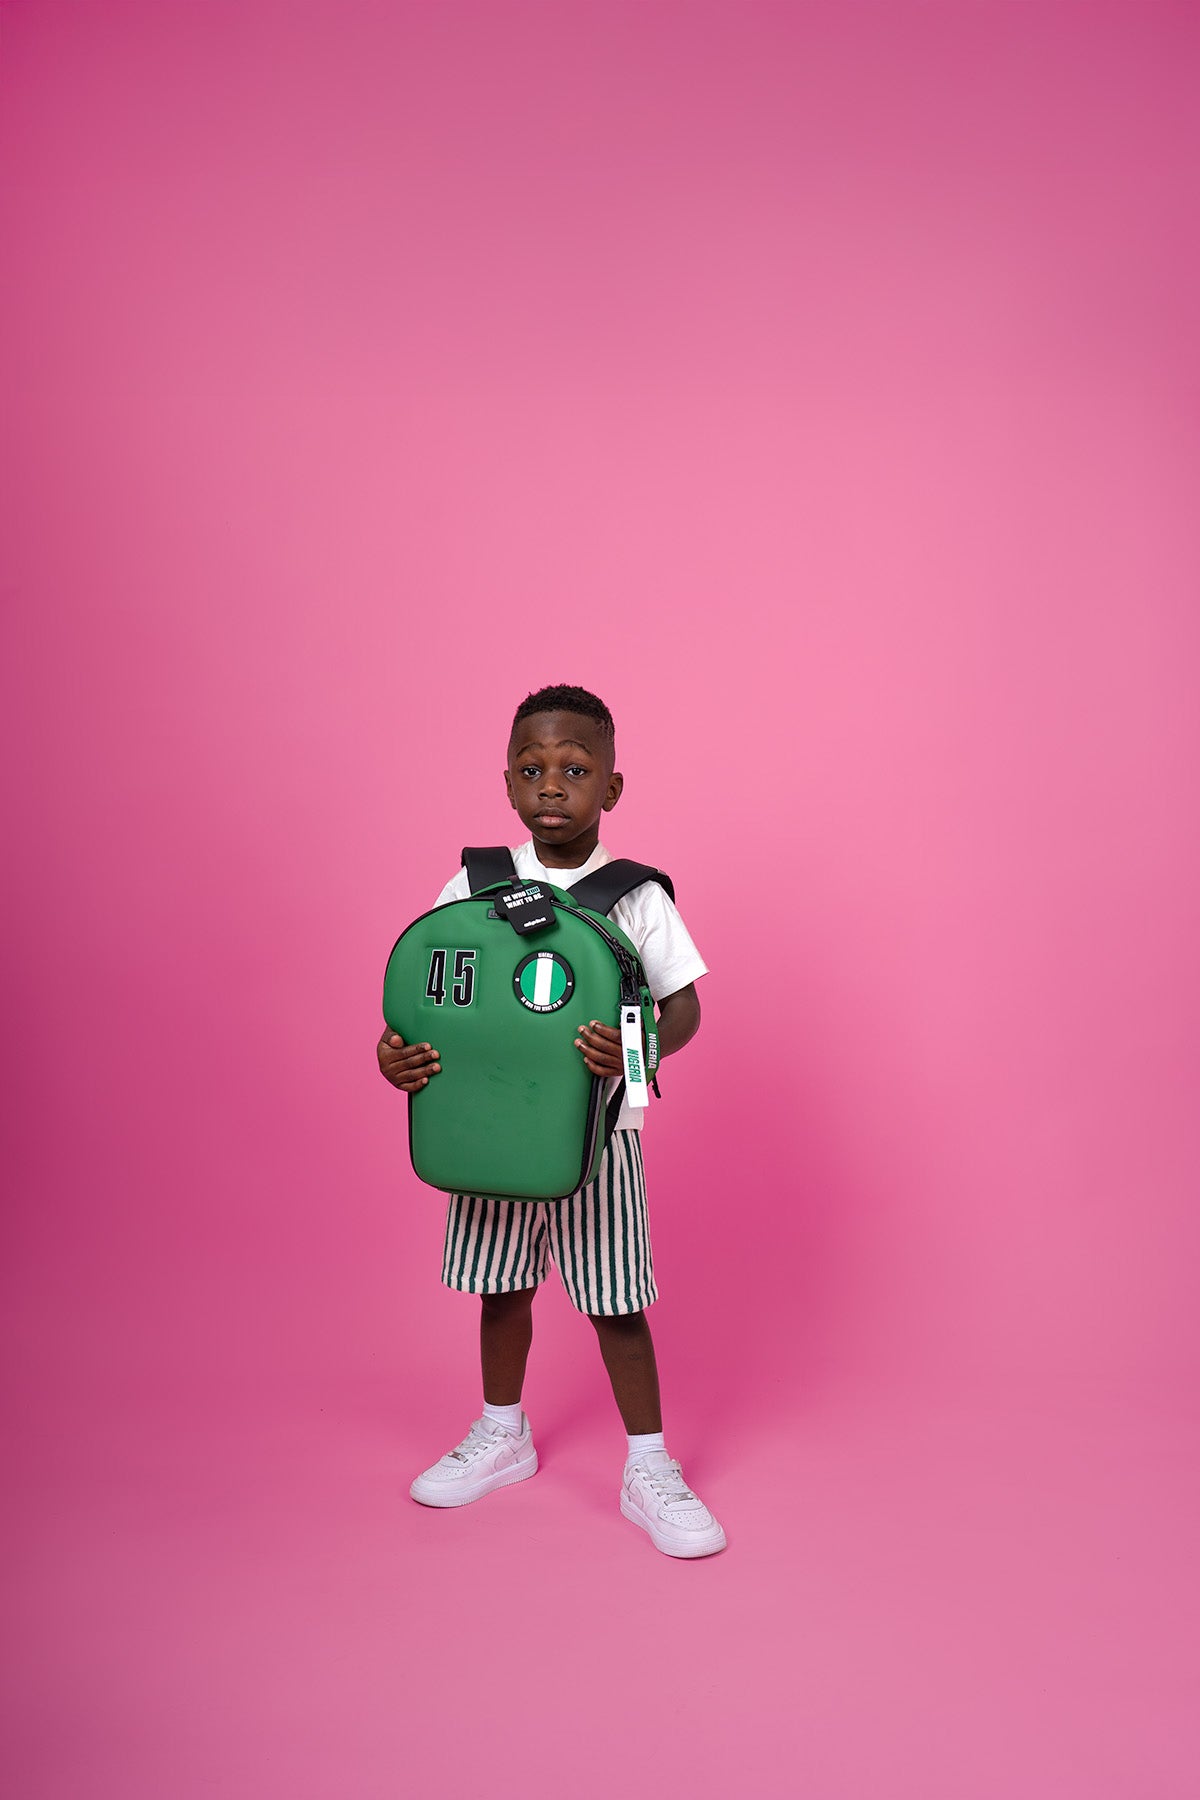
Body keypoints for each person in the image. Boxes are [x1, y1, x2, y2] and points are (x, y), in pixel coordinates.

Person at [377, 684, 725, 1558]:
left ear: (611, 787)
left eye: (575, 770)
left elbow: (682, 1009)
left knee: (616, 1302)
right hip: (489, 1131)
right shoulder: (473, 885)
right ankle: (503, 1434)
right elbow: (433, 994)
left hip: (600, 1135)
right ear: (506, 784)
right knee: (503, 1289)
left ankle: (650, 1466)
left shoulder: (636, 896)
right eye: (532, 771)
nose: (552, 788)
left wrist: (633, 1050)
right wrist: (397, 1056)